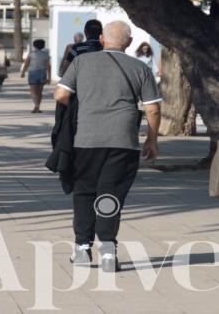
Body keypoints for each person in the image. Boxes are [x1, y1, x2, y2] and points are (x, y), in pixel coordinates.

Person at [54, 21, 161, 272]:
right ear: (130, 42)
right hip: (123, 141)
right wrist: (152, 139)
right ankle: (108, 252)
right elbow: (153, 108)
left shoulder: (82, 62)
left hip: (86, 139)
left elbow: (60, 95)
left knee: (84, 192)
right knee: (110, 194)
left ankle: (82, 248)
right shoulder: (139, 68)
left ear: (102, 39)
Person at [20, 39, 51, 113]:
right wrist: (49, 77)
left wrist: (23, 72)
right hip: (42, 73)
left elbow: (26, 64)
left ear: (34, 46)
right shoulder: (46, 55)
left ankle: (36, 106)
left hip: (33, 73)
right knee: (40, 92)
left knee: (33, 92)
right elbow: (48, 67)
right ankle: (37, 107)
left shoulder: (31, 54)